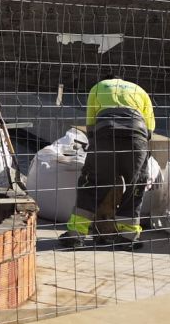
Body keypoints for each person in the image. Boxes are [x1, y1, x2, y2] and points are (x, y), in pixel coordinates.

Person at [60, 77, 155, 249]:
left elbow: (90, 122)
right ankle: (128, 235)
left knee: (91, 183)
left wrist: (97, 147)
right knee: (136, 185)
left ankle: (76, 235)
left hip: (105, 133)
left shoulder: (98, 87)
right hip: (136, 136)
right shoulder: (139, 90)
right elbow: (149, 129)